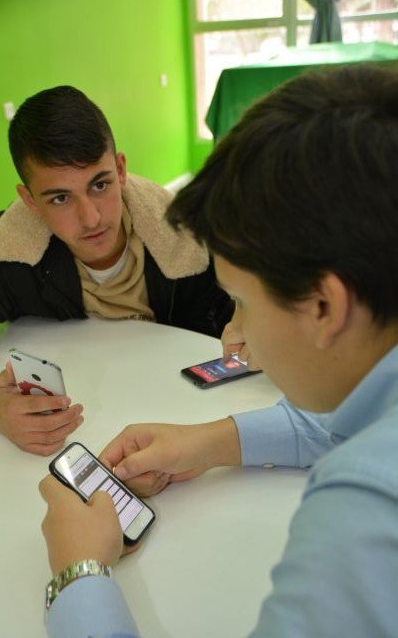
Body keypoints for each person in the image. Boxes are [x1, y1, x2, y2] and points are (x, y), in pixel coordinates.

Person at [40, 63, 398, 637]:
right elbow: (348, 421)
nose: (238, 336)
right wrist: (206, 443)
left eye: (242, 302)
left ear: (325, 307)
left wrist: (78, 575)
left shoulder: (362, 522)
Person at [0, 85, 233, 456]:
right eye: (60, 198)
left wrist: (247, 320)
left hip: (181, 420)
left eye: (100, 184)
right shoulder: (9, 248)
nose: (91, 218)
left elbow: (237, 322)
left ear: (121, 169)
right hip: (86, 431)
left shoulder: (185, 235)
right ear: (29, 200)